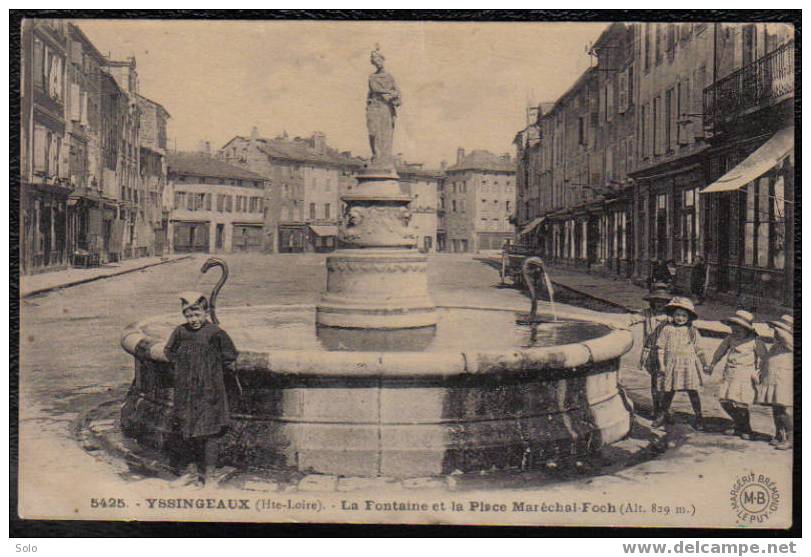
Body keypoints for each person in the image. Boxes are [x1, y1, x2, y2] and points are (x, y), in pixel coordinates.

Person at [164, 291, 238, 486]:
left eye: (197, 314)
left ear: (206, 312)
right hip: (186, 391)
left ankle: (210, 476)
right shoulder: (180, 332)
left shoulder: (215, 333)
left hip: (209, 391)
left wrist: (209, 369)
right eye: (188, 315)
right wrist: (184, 367)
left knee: (209, 432)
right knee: (186, 430)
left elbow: (230, 354)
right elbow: (169, 351)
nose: (193, 319)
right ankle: (190, 472)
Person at [705, 310, 767, 440]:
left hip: (744, 375)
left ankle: (746, 428)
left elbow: (765, 358)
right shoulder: (730, 338)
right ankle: (739, 423)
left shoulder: (755, 341)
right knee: (725, 400)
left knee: (741, 403)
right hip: (729, 373)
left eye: (740, 328)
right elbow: (720, 351)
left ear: (747, 329)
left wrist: (761, 372)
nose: (736, 330)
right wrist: (712, 364)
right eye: (734, 327)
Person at [652, 297, 708, 430]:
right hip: (671, 364)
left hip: (688, 365)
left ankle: (699, 416)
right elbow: (660, 348)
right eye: (677, 314)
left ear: (689, 317)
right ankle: (663, 414)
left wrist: (705, 363)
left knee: (692, 391)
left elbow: (699, 349)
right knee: (669, 391)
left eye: (684, 315)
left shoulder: (692, 331)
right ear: (672, 315)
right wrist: (662, 365)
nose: (680, 318)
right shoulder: (667, 329)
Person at [755, 315, 793, 450]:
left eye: (779, 332)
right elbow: (765, 361)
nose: (776, 334)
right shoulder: (774, 347)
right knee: (775, 410)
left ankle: (790, 437)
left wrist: (778, 327)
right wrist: (760, 374)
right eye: (775, 332)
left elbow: (787, 338)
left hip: (782, 383)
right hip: (771, 381)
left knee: (783, 411)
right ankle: (779, 434)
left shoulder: (791, 345)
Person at [638, 283, 672, 420]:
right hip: (652, 353)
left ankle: (664, 410)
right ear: (652, 301)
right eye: (656, 301)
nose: (659, 304)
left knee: (666, 383)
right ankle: (657, 409)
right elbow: (631, 319)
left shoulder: (671, 317)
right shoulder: (647, 314)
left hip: (667, 353)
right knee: (655, 382)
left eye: (663, 302)